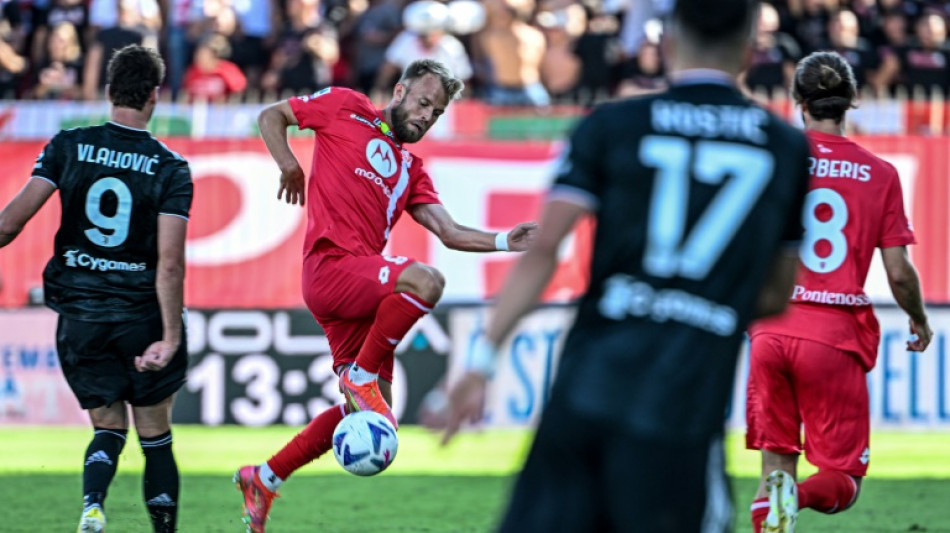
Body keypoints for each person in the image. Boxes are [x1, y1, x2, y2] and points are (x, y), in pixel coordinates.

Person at [440, 0, 813, 531]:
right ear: (751, 54)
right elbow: (777, 293)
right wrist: (704, 305)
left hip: (588, 390)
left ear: (668, 45)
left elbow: (543, 249)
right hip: (683, 407)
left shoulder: (614, 124)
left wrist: (481, 361)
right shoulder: (786, 148)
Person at [233, 58, 538, 533]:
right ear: (399, 91)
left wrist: (504, 240)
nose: (426, 116)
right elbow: (272, 115)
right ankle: (361, 375)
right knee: (426, 281)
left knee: (379, 422)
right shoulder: (345, 107)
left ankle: (265, 477)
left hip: (360, 293)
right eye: (423, 102)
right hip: (331, 268)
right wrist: (289, 164)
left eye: (436, 112)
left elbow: (450, 232)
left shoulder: (412, 170)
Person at [0, 44, 192, 533]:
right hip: (141, 316)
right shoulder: (170, 167)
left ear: (108, 92)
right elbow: (170, 264)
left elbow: (7, 226)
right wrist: (170, 337)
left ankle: (92, 506)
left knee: (108, 426)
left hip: (81, 317)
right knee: (155, 435)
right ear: (154, 96)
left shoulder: (67, 146)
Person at [744, 51, 931, 533]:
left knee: (775, 468)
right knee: (844, 478)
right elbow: (899, 272)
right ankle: (798, 497)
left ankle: (779, 501)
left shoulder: (773, 161)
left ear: (798, 101)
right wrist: (919, 317)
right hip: (832, 335)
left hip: (770, 329)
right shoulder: (879, 173)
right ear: (852, 101)